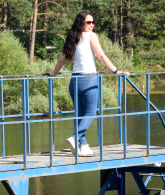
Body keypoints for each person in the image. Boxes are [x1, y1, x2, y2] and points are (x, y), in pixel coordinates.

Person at [46, 12, 129, 156]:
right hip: (88, 80)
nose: (92, 25)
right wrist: (116, 71)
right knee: (91, 112)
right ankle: (74, 137)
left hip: (74, 81)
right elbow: (101, 56)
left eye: (93, 22)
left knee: (79, 115)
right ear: (81, 23)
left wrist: (54, 73)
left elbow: (63, 58)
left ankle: (83, 146)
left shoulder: (73, 37)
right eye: (88, 22)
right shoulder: (91, 36)